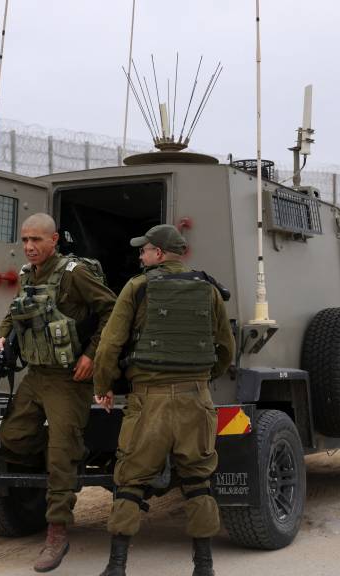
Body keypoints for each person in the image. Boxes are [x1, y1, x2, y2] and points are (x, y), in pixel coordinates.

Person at [92, 224, 235, 576]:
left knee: (131, 482)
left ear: (158, 253)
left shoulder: (137, 287)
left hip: (149, 403)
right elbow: (226, 349)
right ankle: (204, 567)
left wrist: (104, 385)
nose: (140, 255)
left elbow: (110, 344)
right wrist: (200, 381)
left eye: (144, 250)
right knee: (198, 481)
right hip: (196, 400)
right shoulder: (209, 290)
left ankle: (116, 566)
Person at [0, 213, 117, 572]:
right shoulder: (26, 274)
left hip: (68, 379)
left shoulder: (74, 273)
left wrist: (92, 355)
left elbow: (112, 310)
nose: (30, 247)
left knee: (61, 455)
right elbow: (16, 312)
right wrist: (4, 334)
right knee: (12, 438)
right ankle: (67, 455)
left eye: (37, 240)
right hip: (36, 375)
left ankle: (57, 533)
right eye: (25, 240)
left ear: (54, 241)